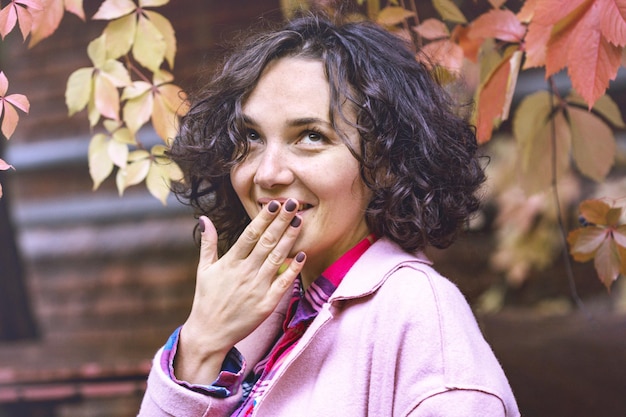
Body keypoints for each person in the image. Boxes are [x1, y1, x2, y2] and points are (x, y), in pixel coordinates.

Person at [138, 13, 520, 417]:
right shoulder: (256, 316)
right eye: (251, 136)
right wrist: (199, 345)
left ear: (385, 160)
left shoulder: (420, 316)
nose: (267, 173)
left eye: (310, 136)